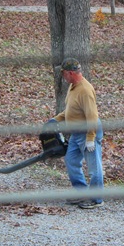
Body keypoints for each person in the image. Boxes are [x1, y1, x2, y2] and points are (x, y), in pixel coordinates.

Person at [49, 57, 104, 209]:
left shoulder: (85, 90)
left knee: (94, 168)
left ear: (71, 73)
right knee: (71, 161)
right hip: (76, 133)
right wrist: (56, 120)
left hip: (87, 132)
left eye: (64, 73)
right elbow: (70, 110)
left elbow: (92, 115)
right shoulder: (73, 87)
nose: (63, 76)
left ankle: (96, 199)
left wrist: (91, 138)